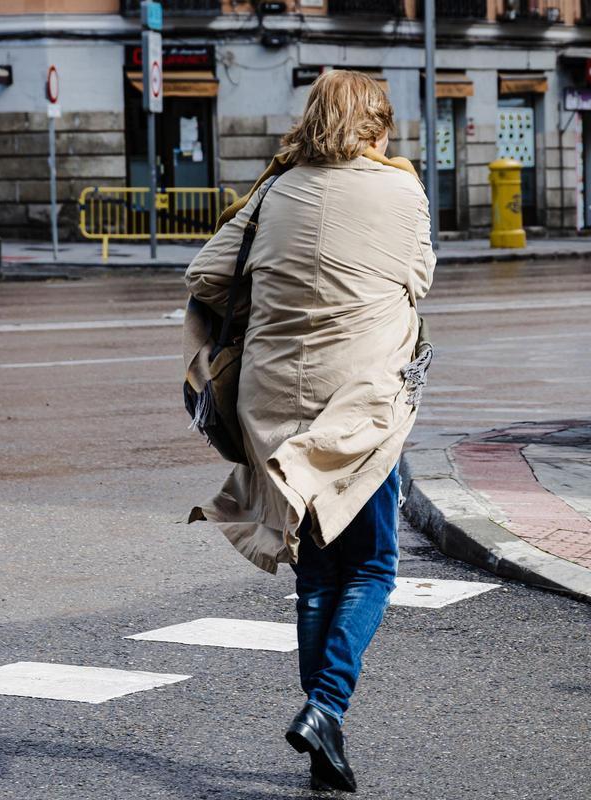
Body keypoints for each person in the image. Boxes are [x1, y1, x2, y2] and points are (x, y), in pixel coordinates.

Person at [183, 70, 436, 792]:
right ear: (373, 126)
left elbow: (205, 275)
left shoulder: (274, 189)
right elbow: (418, 279)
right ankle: (325, 707)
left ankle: (327, 737)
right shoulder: (400, 190)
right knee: (374, 565)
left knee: (318, 570)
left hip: (271, 404)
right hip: (357, 405)